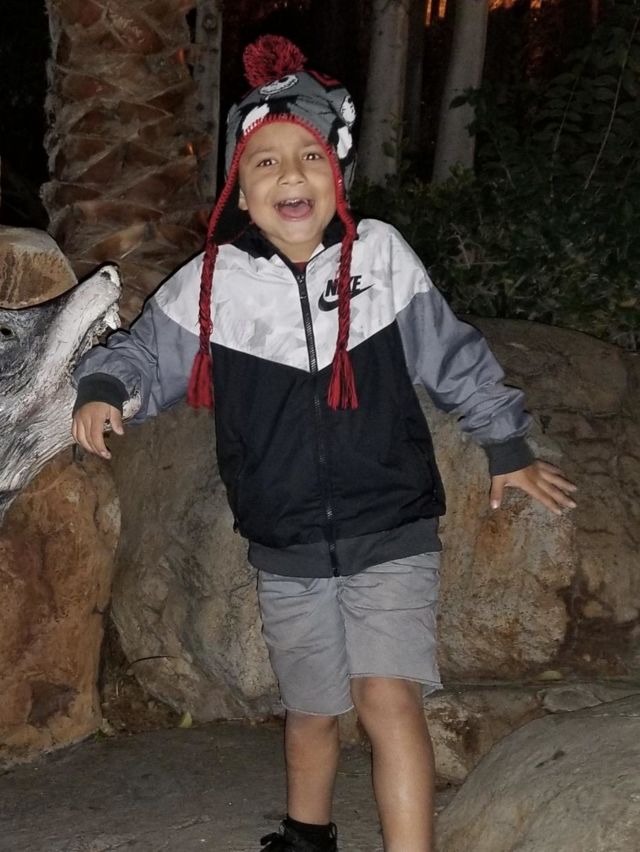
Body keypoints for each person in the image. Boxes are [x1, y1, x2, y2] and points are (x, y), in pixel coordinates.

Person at [71, 35, 577, 852]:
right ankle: (308, 837)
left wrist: (505, 442)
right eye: (265, 162)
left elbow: (453, 355)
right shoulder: (215, 284)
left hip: (392, 523)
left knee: (387, 698)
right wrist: (103, 388)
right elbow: (145, 356)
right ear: (240, 189)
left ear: (337, 169)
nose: (290, 175)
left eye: (309, 155)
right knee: (311, 711)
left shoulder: (381, 256)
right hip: (287, 539)